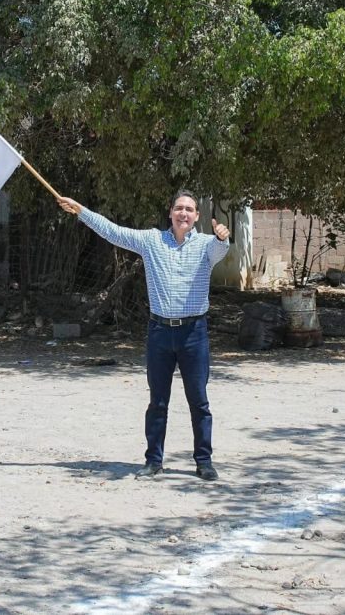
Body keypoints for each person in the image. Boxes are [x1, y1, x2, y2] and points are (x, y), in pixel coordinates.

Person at [57, 191, 230, 481]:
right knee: (157, 401)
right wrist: (81, 211)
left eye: (189, 209)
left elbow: (219, 249)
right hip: (160, 332)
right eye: (178, 208)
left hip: (193, 333)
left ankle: (204, 461)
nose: (183, 213)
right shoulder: (152, 241)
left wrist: (222, 237)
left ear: (197, 216)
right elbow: (114, 232)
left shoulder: (205, 244)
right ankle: (153, 461)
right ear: (170, 212)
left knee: (199, 401)